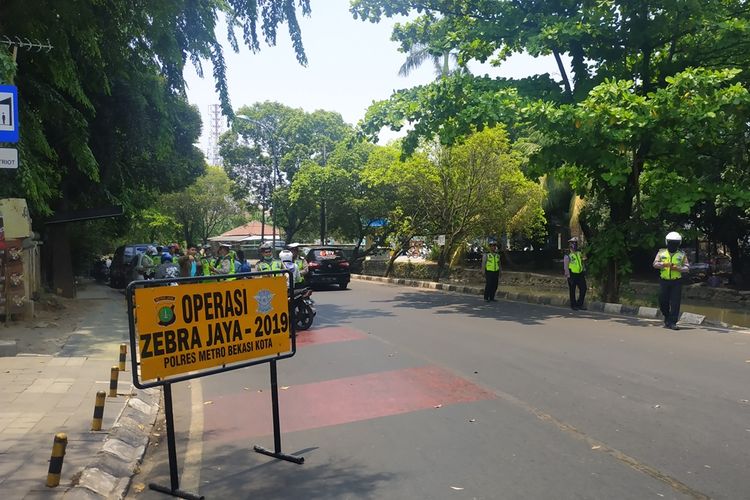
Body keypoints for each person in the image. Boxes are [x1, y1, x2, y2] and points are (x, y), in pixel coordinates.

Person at [653, 231, 690, 330]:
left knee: (675, 302)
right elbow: (655, 264)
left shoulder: (682, 254)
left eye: (675, 243)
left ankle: (673, 322)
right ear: (667, 242)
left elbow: (687, 267)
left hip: (676, 281)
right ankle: (667, 317)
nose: (673, 245)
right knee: (662, 301)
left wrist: (678, 268)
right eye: (671, 242)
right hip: (664, 280)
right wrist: (663, 265)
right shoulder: (661, 253)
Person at [564, 237, 587, 310]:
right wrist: (568, 276)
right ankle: (573, 305)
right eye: (573, 243)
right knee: (572, 290)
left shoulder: (579, 252)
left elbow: (584, 258)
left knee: (583, 288)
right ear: (570, 244)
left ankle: (580, 304)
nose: (575, 245)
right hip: (572, 274)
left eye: (575, 243)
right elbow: (566, 266)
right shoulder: (568, 255)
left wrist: (583, 255)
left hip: (580, 273)